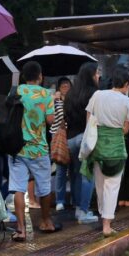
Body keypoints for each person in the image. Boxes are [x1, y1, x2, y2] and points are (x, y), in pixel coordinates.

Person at [81, 68, 129, 236]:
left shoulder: (98, 95)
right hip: (116, 147)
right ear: (127, 84)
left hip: (97, 145)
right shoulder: (127, 102)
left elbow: (89, 119)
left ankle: (102, 216)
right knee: (112, 186)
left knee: (100, 185)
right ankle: (107, 225)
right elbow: (126, 129)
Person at [10, 61, 60, 241]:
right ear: (40, 76)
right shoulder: (46, 94)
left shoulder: (16, 90)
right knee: (44, 186)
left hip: (17, 147)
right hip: (38, 147)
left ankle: (21, 229)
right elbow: (50, 120)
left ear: (24, 76)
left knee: (17, 187)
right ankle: (46, 221)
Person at [61, 63, 100, 224]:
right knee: (87, 175)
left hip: (70, 139)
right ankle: (84, 211)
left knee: (76, 174)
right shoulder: (94, 94)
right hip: (86, 139)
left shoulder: (70, 94)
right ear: (91, 75)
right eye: (97, 73)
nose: (98, 76)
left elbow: (65, 117)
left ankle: (78, 208)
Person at [53, 77, 73, 211]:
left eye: (67, 85)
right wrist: (54, 99)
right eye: (62, 86)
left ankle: (73, 198)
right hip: (59, 137)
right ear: (58, 88)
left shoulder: (74, 101)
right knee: (60, 170)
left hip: (72, 136)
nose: (65, 87)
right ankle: (59, 200)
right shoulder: (54, 101)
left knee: (74, 170)